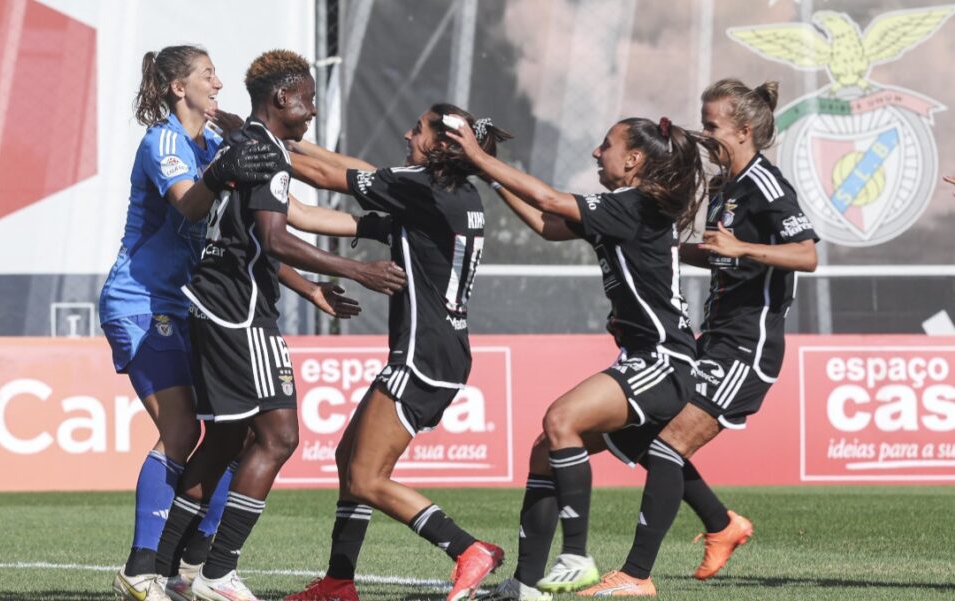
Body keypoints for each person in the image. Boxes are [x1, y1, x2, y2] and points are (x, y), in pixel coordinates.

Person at [148, 49, 407, 601]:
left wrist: (318, 281)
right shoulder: (263, 153)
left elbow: (256, 231)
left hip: (217, 302)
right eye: (308, 98)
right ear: (282, 97)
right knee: (279, 436)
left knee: (223, 442)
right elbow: (276, 239)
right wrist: (357, 268)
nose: (312, 109)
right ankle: (218, 572)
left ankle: (160, 568)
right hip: (240, 312)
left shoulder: (246, 143)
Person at [444, 116, 711, 601]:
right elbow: (547, 225)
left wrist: (479, 158)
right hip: (649, 358)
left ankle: (578, 555)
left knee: (560, 418)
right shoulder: (628, 207)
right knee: (546, 450)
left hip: (663, 359)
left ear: (633, 160)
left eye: (606, 145)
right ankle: (525, 586)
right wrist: (490, 174)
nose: (595, 152)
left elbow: (548, 199)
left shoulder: (632, 204)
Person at [586, 79, 819, 597]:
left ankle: (636, 577)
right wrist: (668, 247)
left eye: (711, 125)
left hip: (746, 347)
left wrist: (744, 249)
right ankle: (721, 524)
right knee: (630, 432)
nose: (704, 133)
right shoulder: (724, 186)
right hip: (709, 339)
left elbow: (806, 254)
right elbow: (717, 251)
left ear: (743, 130)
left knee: (668, 448)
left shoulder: (768, 185)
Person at [278, 104, 512, 601]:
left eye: (418, 128)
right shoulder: (451, 194)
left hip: (422, 355)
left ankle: (468, 549)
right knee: (349, 458)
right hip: (438, 352)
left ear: (442, 146)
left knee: (365, 477)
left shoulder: (422, 187)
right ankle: (339, 582)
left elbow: (328, 173)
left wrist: (259, 147)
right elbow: (339, 187)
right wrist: (279, 145)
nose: (407, 133)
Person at [101, 45, 296, 601]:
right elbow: (189, 204)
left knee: (237, 434)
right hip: (141, 301)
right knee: (184, 433)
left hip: (192, 305)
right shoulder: (163, 140)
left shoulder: (216, 143)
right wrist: (225, 166)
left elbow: (259, 226)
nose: (218, 81)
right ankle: (140, 570)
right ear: (176, 88)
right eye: (207, 74)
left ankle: (190, 565)